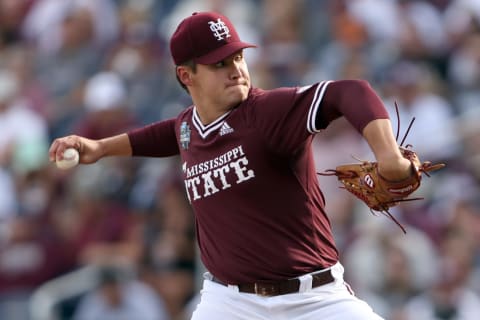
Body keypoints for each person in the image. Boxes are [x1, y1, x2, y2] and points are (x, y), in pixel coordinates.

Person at [49, 11, 414, 320]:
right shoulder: (189, 127)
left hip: (314, 299)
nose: (236, 69)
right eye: (219, 63)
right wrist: (99, 147)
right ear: (186, 76)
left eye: (238, 57)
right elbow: (164, 136)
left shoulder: (268, 113)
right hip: (231, 303)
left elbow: (351, 91)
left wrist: (389, 155)